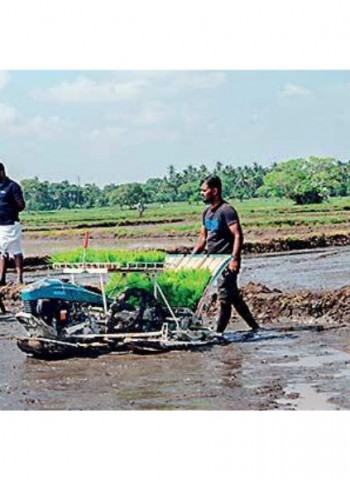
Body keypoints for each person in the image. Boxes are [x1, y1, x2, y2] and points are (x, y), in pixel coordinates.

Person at [192, 175, 259, 333]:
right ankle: (255, 327)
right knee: (233, 296)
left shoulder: (227, 211)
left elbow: (237, 235)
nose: (201, 193)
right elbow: (203, 238)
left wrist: (234, 259)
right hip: (214, 261)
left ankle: (218, 333)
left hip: (227, 261)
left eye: (204, 190)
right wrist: (191, 257)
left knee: (224, 299)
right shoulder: (207, 213)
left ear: (214, 191)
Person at [0, 162, 26, 285]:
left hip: (10, 223)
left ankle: (18, 277)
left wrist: (9, 210)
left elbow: (21, 205)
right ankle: (2, 278)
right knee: (9, 250)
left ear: (2, 172)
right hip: (0, 225)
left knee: (6, 250)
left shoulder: (12, 186)